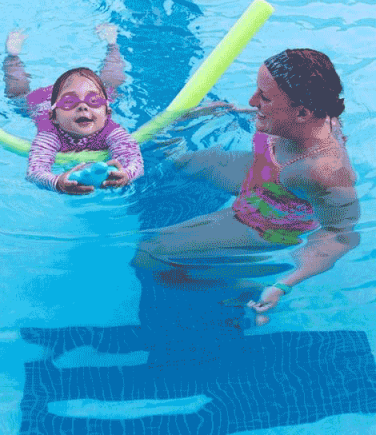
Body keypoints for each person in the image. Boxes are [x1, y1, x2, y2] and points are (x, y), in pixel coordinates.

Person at [132, 48, 360, 326]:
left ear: (301, 112)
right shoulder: (312, 113)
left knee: (148, 255)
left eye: (263, 98)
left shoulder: (323, 171)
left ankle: (241, 288)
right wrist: (221, 113)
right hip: (261, 172)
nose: (252, 101)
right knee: (173, 162)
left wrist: (283, 285)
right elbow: (270, 115)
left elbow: (340, 233)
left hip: (265, 219)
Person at [3, 25, 144, 194]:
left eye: (93, 100)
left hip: (63, 97)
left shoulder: (112, 131)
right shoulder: (50, 134)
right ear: (53, 116)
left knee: (112, 84)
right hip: (42, 101)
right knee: (17, 95)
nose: (83, 106)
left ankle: (112, 44)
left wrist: (127, 174)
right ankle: (13, 56)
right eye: (71, 102)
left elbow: (134, 160)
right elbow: (35, 171)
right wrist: (57, 182)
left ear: (108, 112)